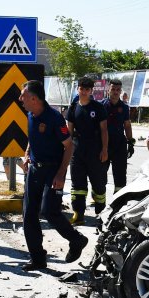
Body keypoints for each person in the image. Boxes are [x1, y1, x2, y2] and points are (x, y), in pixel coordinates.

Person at [18, 80, 88, 271]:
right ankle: (37, 258)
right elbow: (32, 139)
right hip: (34, 171)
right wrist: (26, 154)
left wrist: (61, 174)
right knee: (29, 215)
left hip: (52, 171)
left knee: (49, 211)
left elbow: (69, 146)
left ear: (34, 98)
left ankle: (76, 240)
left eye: (23, 95)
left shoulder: (54, 118)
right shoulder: (30, 114)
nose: (20, 99)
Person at [66, 76, 109, 224]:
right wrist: (66, 152)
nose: (84, 92)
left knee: (98, 184)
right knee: (77, 185)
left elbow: (104, 130)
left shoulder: (98, 108)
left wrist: (104, 149)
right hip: (77, 151)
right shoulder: (73, 108)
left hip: (95, 150)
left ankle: (101, 214)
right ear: (78, 89)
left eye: (87, 89)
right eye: (81, 89)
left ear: (91, 91)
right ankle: (78, 214)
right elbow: (69, 132)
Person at [104, 78, 134, 194]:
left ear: (120, 91)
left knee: (120, 174)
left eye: (118, 89)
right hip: (104, 144)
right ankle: (98, 200)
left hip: (119, 144)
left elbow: (127, 125)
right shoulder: (101, 106)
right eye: (113, 89)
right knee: (100, 173)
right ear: (108, 90)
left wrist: (130, 143)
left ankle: (119, 202)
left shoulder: (124, 107)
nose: (115, 92)